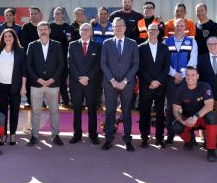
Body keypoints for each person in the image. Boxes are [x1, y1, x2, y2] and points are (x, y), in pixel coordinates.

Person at [100, 17, 139, 151]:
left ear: (125, 27)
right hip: (110, 83)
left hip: (126, 84)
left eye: (120, 25)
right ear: (113, 28)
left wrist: (124, 81)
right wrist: (112, 80)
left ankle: (127, 140)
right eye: (115, 26)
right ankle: (108, 139)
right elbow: (103, 63)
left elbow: (135, 64)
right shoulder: (106, 43)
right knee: (110, 111)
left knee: (126, 112)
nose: (118, 28)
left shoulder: (133, 43)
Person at [26, 21, 65, 146]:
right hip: (36, 84)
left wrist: (53, 79)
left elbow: (61, 64)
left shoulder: (57, 45)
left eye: (45, 29)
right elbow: (28, 65)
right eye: (40, 29)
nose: (43, 31)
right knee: (36, 111)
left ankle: (55, 135)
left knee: (54, 111)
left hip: (53, 84)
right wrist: (38, 79)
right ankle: (34, 135)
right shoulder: (32, 45)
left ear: (49, 31)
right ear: (38, 31)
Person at [170, 66, 217, 162]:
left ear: (198, 76)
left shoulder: (205, 86)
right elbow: (176, 110)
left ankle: (211, 150)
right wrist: (183, 121)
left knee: (212, 116)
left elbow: (209, 105)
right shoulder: (179, 90)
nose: (190, 77)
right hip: (188, 120)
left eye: (193, 75)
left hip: (202, 118)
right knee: (176, 126)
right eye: (187, 75)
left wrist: (195, 117)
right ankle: (190, 140)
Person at [0, 29, 27, 145]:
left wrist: (23, 87)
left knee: (15, 111)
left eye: (10, 36)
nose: (8, 38)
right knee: (2, 112)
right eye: (5, 36)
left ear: (14, 37)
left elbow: (24, 71)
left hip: (15, 86)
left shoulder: (20, 51)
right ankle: (3, 134)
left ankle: (13, 135)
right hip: (0, 86)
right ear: (2, 38)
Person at [164, 18, 198, 144]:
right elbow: (164, 62)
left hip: (187, 80)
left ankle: (190, 137)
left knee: (188, 108)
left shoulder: (192, 41)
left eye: (182, 25)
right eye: (177, 26)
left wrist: (183, 75)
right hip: (171, 79)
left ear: (185, 27)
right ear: (174, 27)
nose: (179, 28)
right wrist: (174, 74)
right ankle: (170, 134)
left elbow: (193, 60)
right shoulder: (166, 42)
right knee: (171, 107)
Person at [67, 23, 102, 144]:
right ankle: (77, 134)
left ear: (91, 32)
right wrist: (79, 77)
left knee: (92, 109)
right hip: (76, 84)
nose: (84, 31)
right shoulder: (72, 45)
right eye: (82, 29)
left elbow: (98, 65)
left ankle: (93, 135)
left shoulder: (98, 46)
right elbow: (70, 63)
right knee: (77, 109)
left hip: (91, 83)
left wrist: (88, 77)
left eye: (87, 29)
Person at [137, 23, 169, 148]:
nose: (153, 32)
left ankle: (159, 138)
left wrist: (158, 81)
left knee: (160, 113)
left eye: (155, 30)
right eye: (150, 30)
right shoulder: (140, 48)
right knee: (145, 112)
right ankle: (144, 138)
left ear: (158, 32)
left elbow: (166, 67)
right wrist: (150, 81)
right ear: (147, 31)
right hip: (146, 85)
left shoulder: (164, 48)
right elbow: (140, 68)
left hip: (161, 85)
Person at [197, 37, 217, 149]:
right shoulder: (201, 59)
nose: (213, 46)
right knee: (206, 117)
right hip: (206, 96)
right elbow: (199, 78)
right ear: (207, 46)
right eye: (210, 44)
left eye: (215, 43)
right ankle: (206, 140)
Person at [49, 7, 73, 107]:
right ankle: (52, 102)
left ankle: (65, 101)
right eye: (55, 13)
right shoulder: (50, 26)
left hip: (64, 57)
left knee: (63, 80)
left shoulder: (68, 26)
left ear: (63, 15)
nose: (57, 15)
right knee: (52, 80)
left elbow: (70, 41)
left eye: (59, 13)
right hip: (52, 58)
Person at [20, 6, 43, 107]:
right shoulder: (26, 27)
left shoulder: (43, 26)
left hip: (42, 58)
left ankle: (41, 101)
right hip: (29, 58)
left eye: (35, 13)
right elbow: (24, 43)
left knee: (40, 80)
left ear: (39, 14)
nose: (33, 15)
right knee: (30, 80)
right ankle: (29, 100)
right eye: (31, 14)